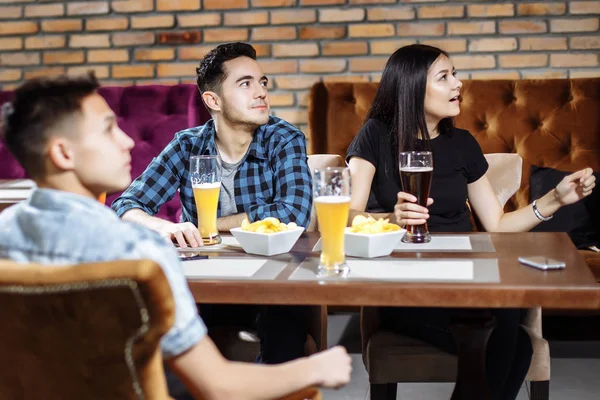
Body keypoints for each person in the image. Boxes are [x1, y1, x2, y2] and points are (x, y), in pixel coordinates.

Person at [0, 73, 352, 400]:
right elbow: (220, 387)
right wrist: (317, 367)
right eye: (109, 130)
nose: (126, 142)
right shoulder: (140, 253)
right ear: (63, 153)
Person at [346, 44, 595, 400]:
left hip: (462, 278)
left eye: (455, 74)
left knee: (511, 327)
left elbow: (496, 223)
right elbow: (345, 217)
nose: (458, 84)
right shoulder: (375, 134)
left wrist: (555, 199)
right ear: (413, 86)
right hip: (404, 285)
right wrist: (389, 219)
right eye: (444, 77)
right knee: (514, 339)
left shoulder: (462, 143)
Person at [111, 42, 314, 365]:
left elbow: (294, 214)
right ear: (213, 100)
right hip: (209, 283)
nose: (260, 92)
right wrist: (166, 226)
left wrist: (213, 226)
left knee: (283, 327)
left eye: (262, 82)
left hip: (272, 280)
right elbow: (126, 206)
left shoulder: (284, 138)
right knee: (158, 323)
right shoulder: (187, 145)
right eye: (245, 84)